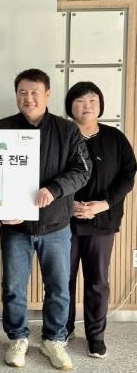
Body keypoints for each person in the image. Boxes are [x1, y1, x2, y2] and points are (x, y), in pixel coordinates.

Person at [0, 68, 91, 370]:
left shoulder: (67, 129)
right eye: (22, 92)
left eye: (35, 92)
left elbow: (83, 170)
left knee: (59, 286)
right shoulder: (2, 128)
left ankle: (54, 339)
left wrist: (54, 189)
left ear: (47, 94)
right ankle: (17, 337)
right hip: (16, 227)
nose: (29, 98)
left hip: (56, 225)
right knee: (13, 287)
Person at [64, 81, 136, 358]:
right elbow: (46, 173)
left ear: (101, 105)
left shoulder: (114, 138)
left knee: (98, 281)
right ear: (70, 106)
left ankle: (95, 336)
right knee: (63, 280)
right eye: (80, 101)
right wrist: (67, 204)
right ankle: (63, 330)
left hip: (102, 221)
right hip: (65, 220)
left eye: (93, 100)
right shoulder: (61, 135)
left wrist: (103, 205)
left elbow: (127, 175)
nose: (87, 106)